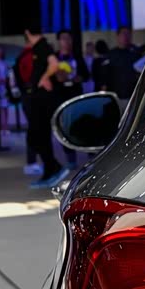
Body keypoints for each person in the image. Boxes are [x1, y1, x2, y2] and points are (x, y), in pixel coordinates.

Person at [23, 28, 70, 188]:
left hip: (43, 101)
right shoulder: (40, 48)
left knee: (35, 136)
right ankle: (51, 170)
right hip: (40, 101)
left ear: (28, 32)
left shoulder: (42, 46)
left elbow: (54, 64)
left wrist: (43, 78)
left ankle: (54, 168)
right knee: (39, 137)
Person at [55, 30, 89, 169]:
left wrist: (78, 78)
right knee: (65, 127)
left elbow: (86, 75)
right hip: (61, 96)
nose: (66, 42)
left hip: (76, 95)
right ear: (59, 41)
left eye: (69, 38)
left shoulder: (77, 57)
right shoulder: (55, 58)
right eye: (63, 39)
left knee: (82, 124)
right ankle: (70, 159)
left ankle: (89, 155)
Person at [13, 41, 42, 176]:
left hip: (27, 96)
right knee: (35, 129)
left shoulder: (21, 57)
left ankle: (33, 161)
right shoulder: (30, 56)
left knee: (34, 129)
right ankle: (32, 162)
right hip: (32, 96)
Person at [104, 27, 141, 101]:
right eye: (124, 34)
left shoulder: (136, 52)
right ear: (118, 36)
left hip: (134, 95)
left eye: (128, 34)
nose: (126, 36)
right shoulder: (111, 54)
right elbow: (106, 75)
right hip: (116, 96)